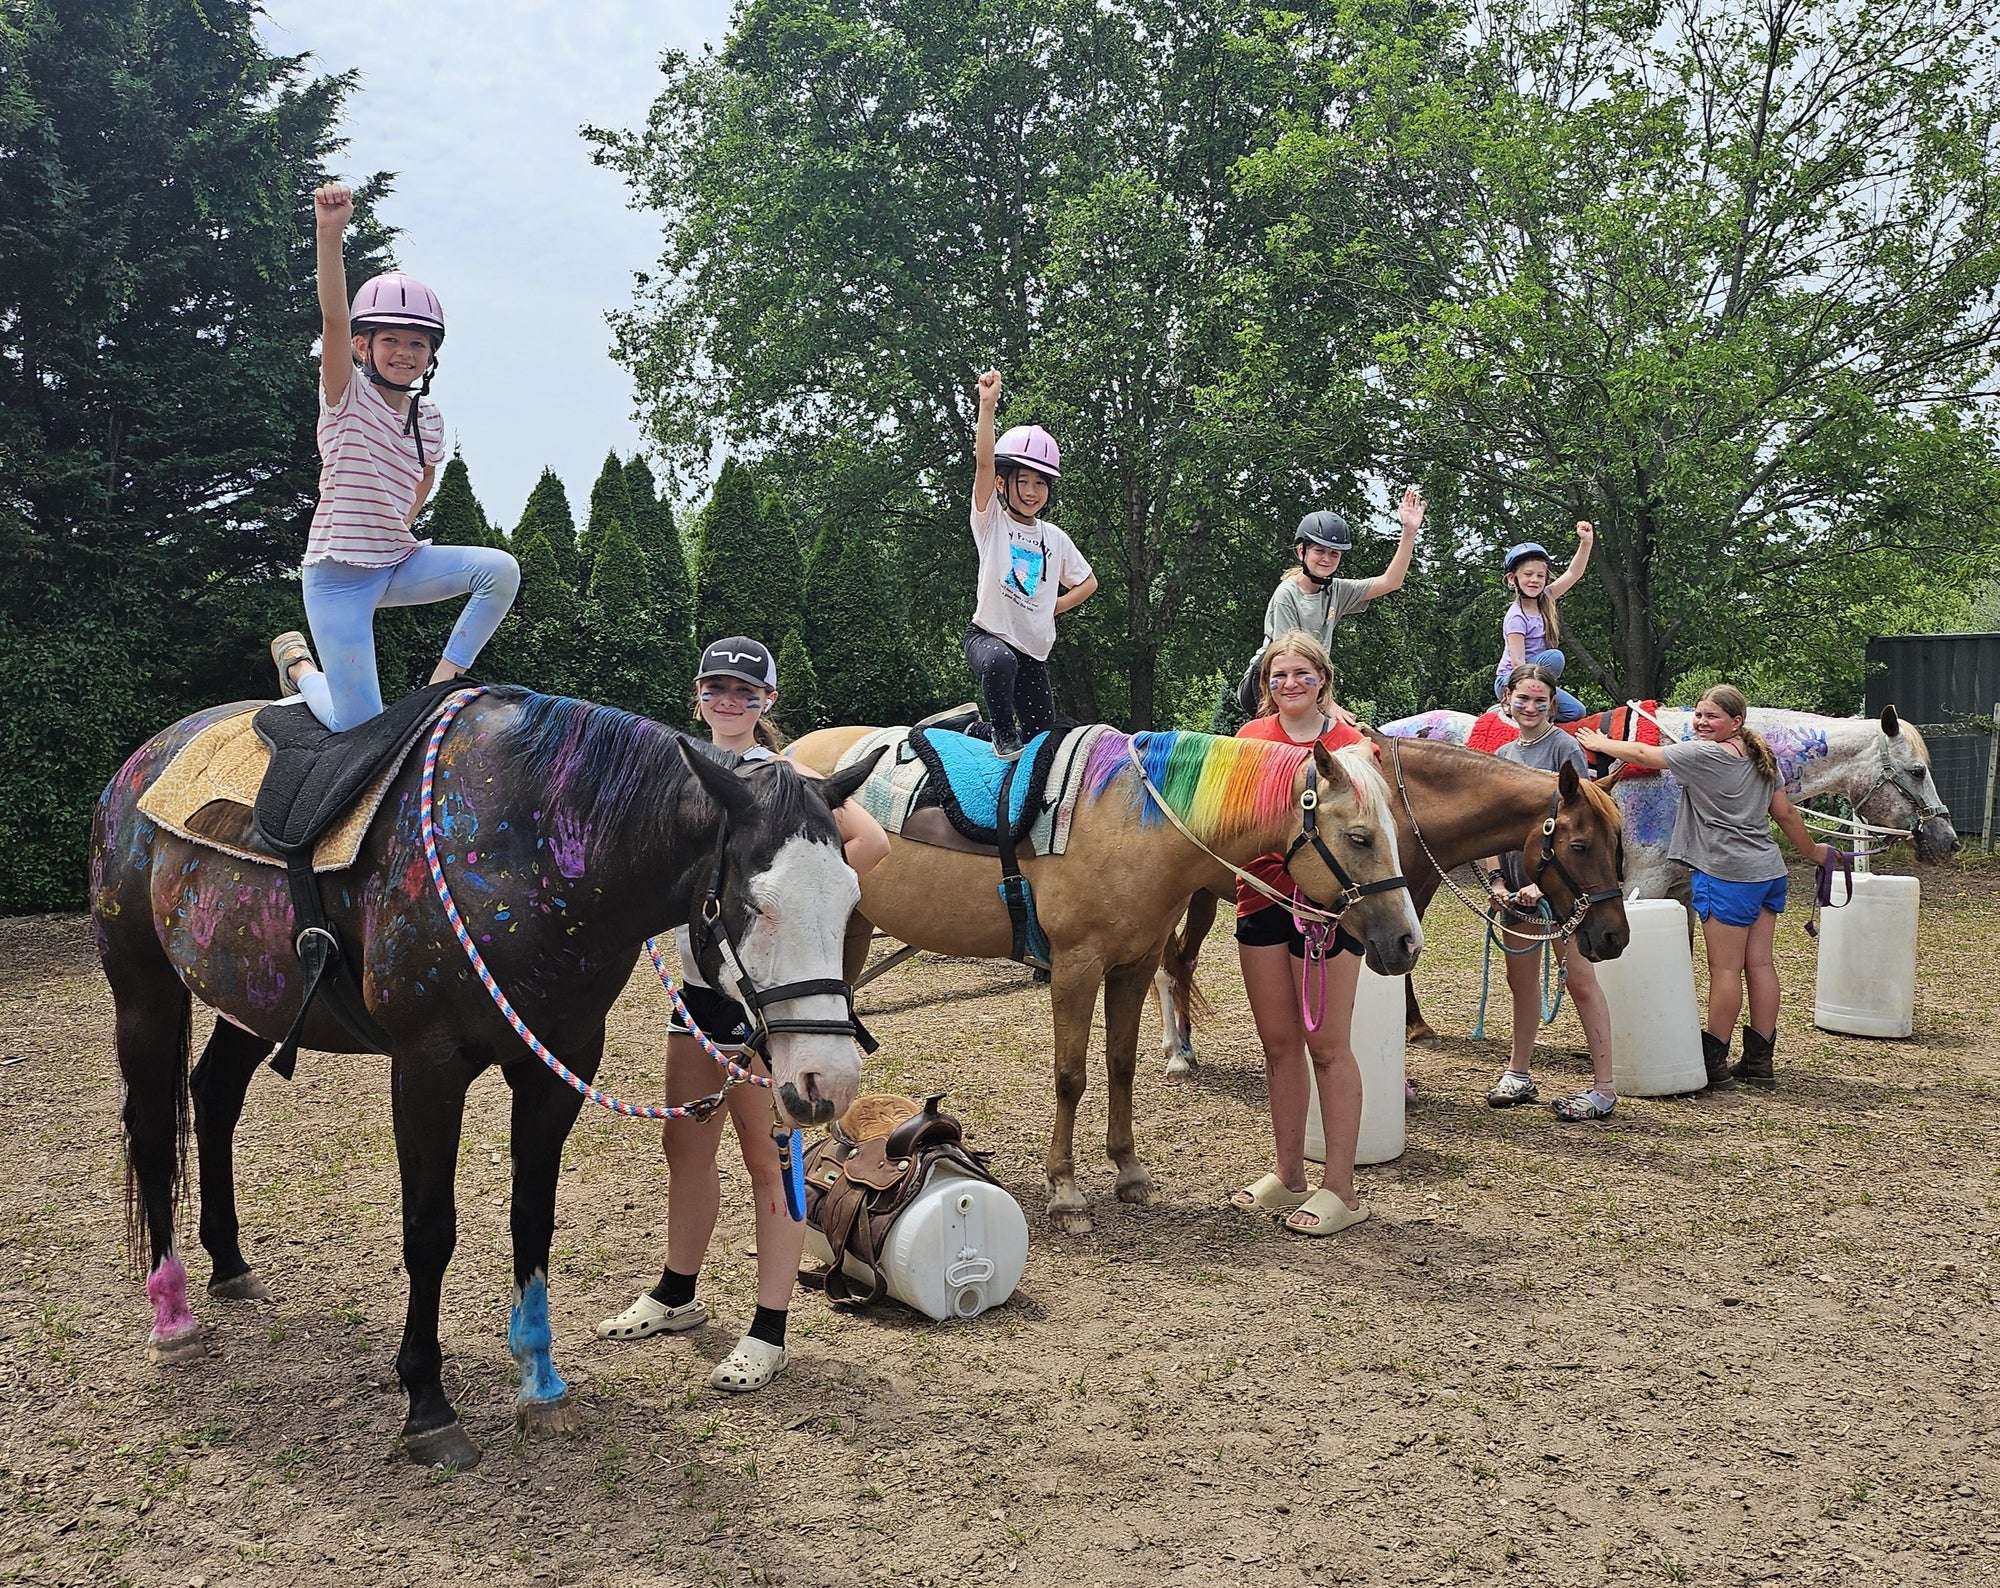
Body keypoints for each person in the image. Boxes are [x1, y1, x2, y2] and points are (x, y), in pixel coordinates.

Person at [596, 636, 890, 1391]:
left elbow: (873, 841)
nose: (729, 701)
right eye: (716, 688)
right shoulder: (684, 771)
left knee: (770, 1162)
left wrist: (793, 896)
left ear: (769, 702)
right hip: (699, 994)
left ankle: (770, 1327)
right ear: (698, 693)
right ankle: (678, 1292)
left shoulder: (787, 776)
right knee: (685, 1148)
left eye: (745, 691)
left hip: (768, 1007)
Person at [268, 182, 520, 732]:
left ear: (431, 355)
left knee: (500, 570)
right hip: (337, 578)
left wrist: (397, 522)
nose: (405, 353)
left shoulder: (428, 417)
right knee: (359, 730)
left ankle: (439, 688)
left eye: (418, 344)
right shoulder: (345, 394)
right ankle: (302, 670)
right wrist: (330, 234)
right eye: (392, 341)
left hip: (397, 563)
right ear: (364, 346)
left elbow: (425, 475)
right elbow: (334, 319)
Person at [1578, 684, 1830, 1091]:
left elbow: (1644, 755)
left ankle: (1714, 1059)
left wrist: (1598, 740)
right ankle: (1759, 1061)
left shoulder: (1703, 755)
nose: (1701, 722)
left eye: (1711, 716)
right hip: (1767, 871)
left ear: (1736, 722)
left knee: (1725, 970)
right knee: (1761, 965)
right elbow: (1783, 813)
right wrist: (1815, 851)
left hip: (1725, 874)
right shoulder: (1761, 756)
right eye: (1698, 714)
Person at [1226, 632, 1370, 1237]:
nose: (1289, 684)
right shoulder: (1247, 742)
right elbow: (1230, 822)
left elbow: (1367, 835)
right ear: (1267, 685)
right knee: (1278, 1043)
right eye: (1278, 675)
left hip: (1328, 913)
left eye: (1302, 674)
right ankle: (1289, 1174)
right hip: (1259, 899)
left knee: (1328, 1046)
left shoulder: (1351, 746)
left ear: (1323, 681)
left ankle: (1342, 1188)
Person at [1477, 665, 1619, 1121]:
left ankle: (1604, 1087)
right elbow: (1490, 833)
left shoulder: (1564, 751)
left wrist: (1543, 884)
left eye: (1541, 701)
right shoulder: (1500, 754)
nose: (1531, 708)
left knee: (1578, 980)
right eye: (1523, 699)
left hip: (1562, 892)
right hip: (1517, 891)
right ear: (1507, 701)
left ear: (1553, 705)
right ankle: (1519, 1072)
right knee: (1520, 982)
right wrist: (1499, 881)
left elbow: (1581, 825)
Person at [966, 368, 1097, 761]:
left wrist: (1053, 606)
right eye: (1023, 481)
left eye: (1040, 483)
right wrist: (987, 406)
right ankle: (1000, 731)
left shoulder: (1054, 537)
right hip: (989, 639)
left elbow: (1088, 582)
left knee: (1043, 744)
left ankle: (975, 728)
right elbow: (984, 465)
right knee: (1000, 661)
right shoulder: (991, 521)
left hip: (1032, 656)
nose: (1031, 491)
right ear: (1005, 484)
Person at [1234, 491, 1426, 717]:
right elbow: (1288, 657)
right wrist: (1328, 704)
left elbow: (1390, 581)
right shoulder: (1287, 594)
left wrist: (1409, 531)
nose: (1326, 558)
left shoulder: (1336, 589)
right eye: (1319, 551)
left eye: (1334, 554)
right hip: (1269, 682)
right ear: (1301, 551)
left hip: (1307, 682)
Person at [1492, 528, 1593, 724]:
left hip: (1535, 675)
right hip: (1510, 679)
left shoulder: (1546, 599)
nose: (1534, 580)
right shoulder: (1516, 617)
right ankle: (1511, 703)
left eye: (1540, 575)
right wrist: (1521, 690)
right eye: (1528, 574)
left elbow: (1574, 573)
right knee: (1555, 657)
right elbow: (1518, 662)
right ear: (1513, 579)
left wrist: (1586, 543)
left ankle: (1536, 717)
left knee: (1576, 711)